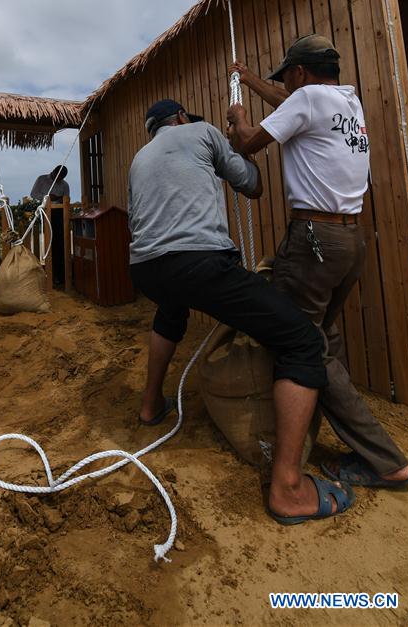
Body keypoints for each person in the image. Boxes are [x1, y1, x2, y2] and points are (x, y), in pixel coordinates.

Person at [128, 98, 355, 524]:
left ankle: (149, 405)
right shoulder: (203, 132)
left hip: (145, 268)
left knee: (171, 311)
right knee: (302, 341)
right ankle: (288, 489)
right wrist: (237, 148)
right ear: (180, 119)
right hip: (199, 263)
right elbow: (252, 185)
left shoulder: (141, 157)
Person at [227, 34, 408, 490]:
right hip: (348, 240)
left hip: (313, 240)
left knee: (298, 343)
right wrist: (250, 79)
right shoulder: (345, 103)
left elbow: (250, 143)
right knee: (320, 344)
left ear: (299, 73)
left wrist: (237, 118)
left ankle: (385, 461)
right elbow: (290, 101)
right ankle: (375, 452)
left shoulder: (307, 99)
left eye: (287, 78)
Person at [31, 166, 70, 285]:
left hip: (59, 214)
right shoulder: (42, 179)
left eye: (61, 178)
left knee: (60, 244)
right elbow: (33, 194)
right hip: (45, 212)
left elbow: (66, 199)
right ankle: (50, 274)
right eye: (58, 176)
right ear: (53, 172)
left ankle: (61, 276)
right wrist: (47, 198)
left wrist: (59, 198)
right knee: (49, 243)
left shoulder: (65, 185)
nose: (59, 179)